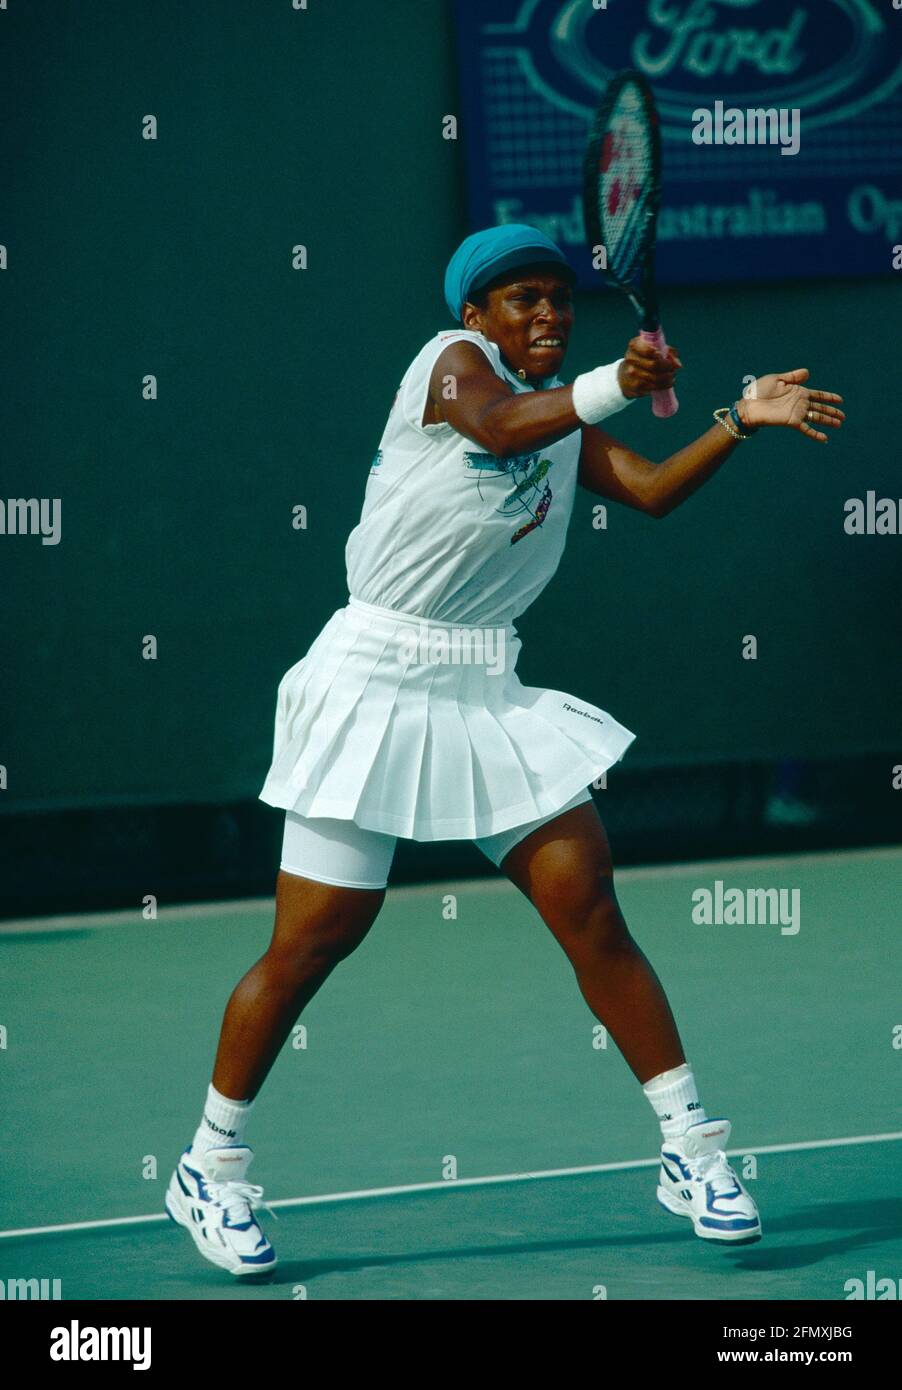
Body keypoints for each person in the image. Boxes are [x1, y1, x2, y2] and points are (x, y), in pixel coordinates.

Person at [165, 225, 845, 1276]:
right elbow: (495, 426)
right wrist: (612, 381)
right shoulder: (450, 369)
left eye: (556, 300)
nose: (544, 314)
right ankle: (211, 1163)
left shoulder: (559, 416)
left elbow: (653, 492)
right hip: (367, 683)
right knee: (313, 943)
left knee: (591, 910)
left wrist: (734, 421)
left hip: (483, 688)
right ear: (473, 315)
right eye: (520, 299)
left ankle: (690, 1147)